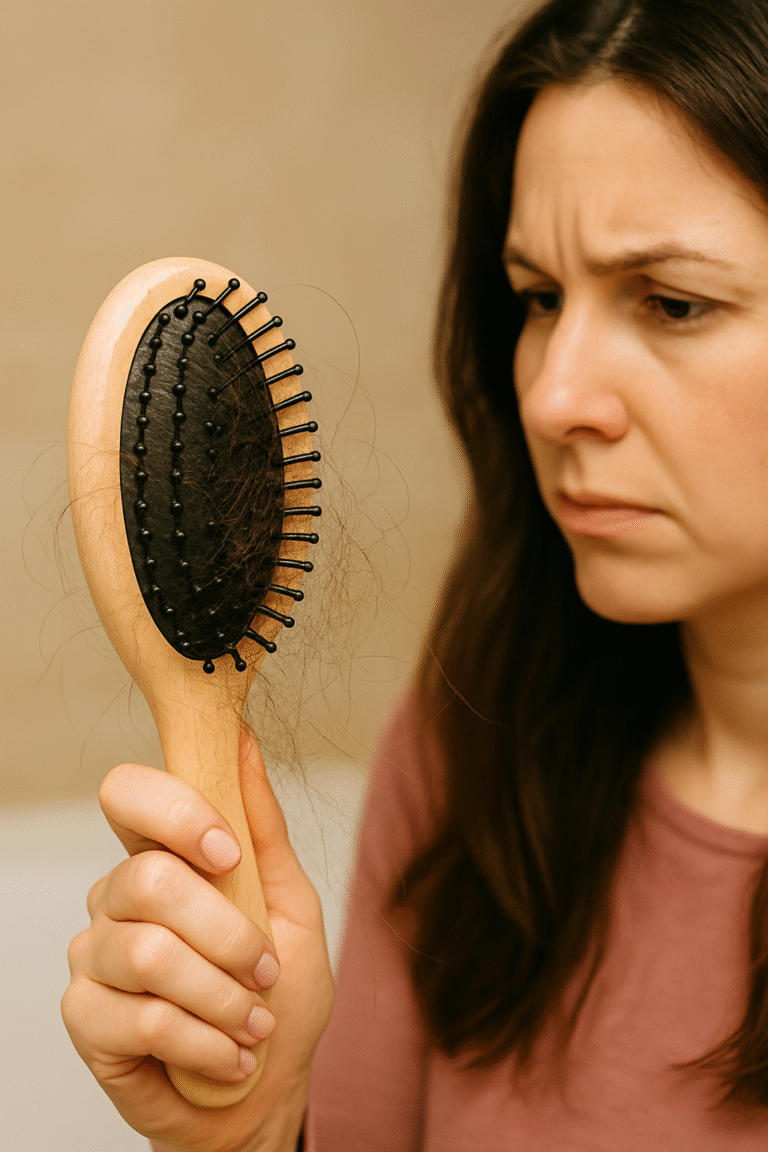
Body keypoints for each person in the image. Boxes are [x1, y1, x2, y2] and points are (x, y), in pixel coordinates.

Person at [61, 0, 768, 1147]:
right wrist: (259, 1124)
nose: (552, 394)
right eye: (538, 298)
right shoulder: (474, 758)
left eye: (672, 303)